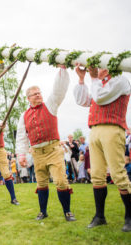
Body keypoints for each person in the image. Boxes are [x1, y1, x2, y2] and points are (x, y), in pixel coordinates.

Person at [74, 64, 131, 231]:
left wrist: (93, 78)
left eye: (98, 66)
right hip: (95, 130)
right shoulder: (99, 83)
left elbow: (99, 98)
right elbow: (82, 100)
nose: (96, 69)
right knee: (97, 175)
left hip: (113, 129)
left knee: (118, 174)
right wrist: (82, 79)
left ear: (108, 67)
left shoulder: (120, 81)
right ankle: (100, 216)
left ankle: (129, 216)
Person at [16, 65, 76, 221]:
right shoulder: (24, 116)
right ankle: (43, 211)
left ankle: (67, 212)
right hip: (37, 154)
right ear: (28, 98)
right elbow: (21, 137)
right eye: (35, 94)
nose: (38, 95)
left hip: (53, 150)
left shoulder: (50, 105)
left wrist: (62, 71)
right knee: (41, 183)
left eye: (39, 92)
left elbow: (58, 91)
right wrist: (21, 155)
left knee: (61, 181)